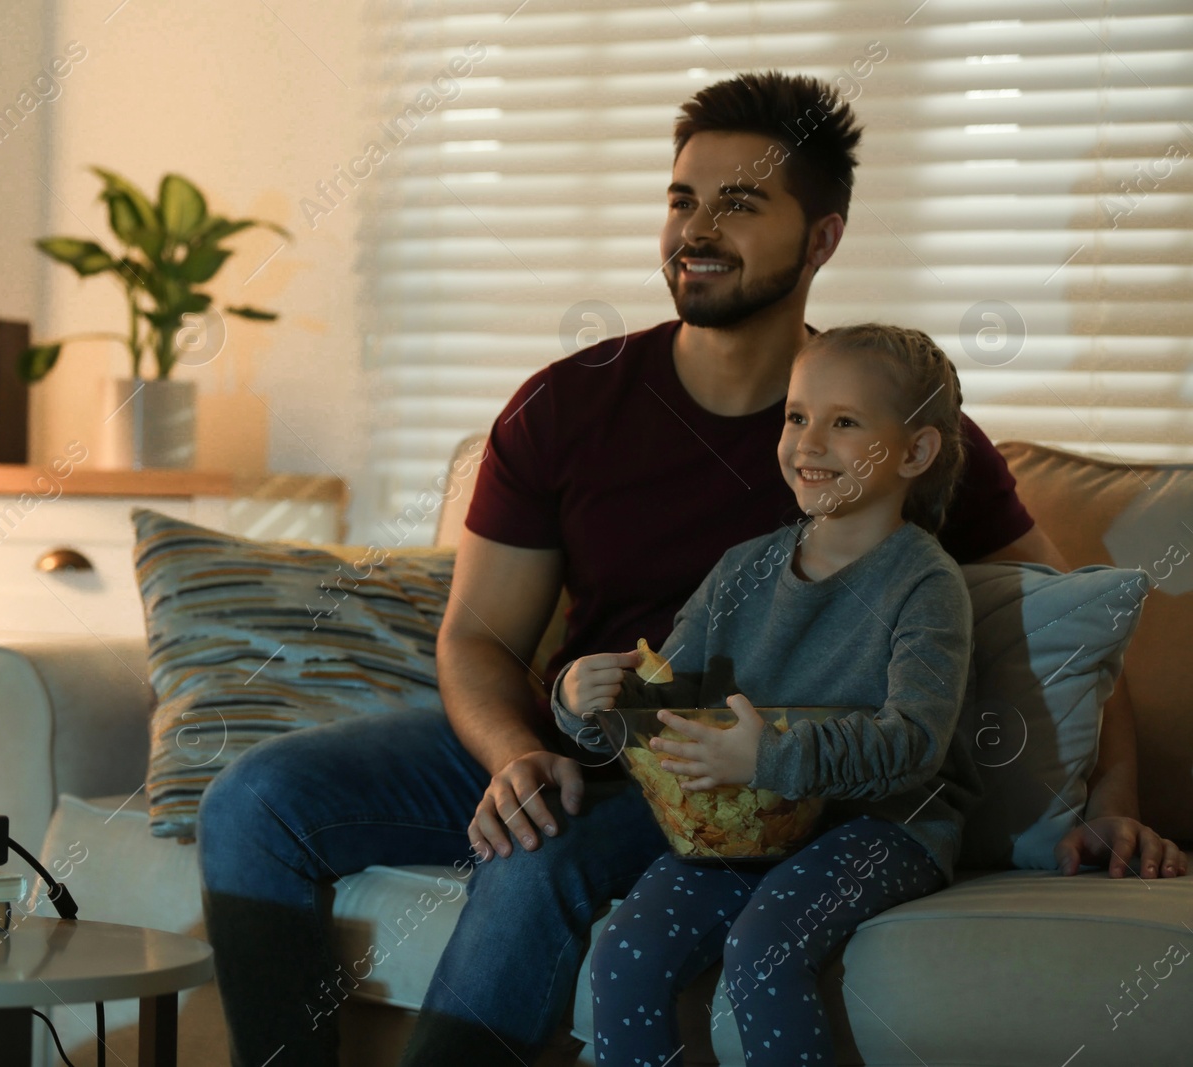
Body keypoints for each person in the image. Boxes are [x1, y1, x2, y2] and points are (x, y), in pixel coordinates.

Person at [197, 71, 1185, 1067]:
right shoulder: (561, 407)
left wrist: (1110, 809)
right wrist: (512, 754)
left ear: (822, 238)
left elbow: (1060, 626)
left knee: (533, 861)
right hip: (577, 729)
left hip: (735, 771)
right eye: (681, 198)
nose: (696, 228)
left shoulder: (888, 431)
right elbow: (478, 635)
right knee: (254, 798)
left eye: (740, 203)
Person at [554, 323, 980, 1065]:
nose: (808, 442)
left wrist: (770, 756)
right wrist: (583, 701)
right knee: (625, 951)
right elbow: (668, 699)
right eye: (796, 416)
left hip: (883, 826)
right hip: (742, 824)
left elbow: (915, 741)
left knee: (764, 946)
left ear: (914, 452)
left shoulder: (926, 583)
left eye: (844, 422)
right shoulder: (741, 569)